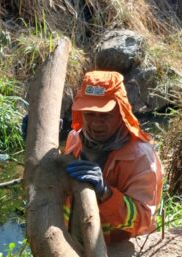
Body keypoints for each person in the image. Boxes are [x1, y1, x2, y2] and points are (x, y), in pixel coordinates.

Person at [64, 70, 163, 243]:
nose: (95, 123)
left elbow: (143, 220)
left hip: (117, 251)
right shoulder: (74, 139)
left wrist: (106, 193)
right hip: (75, 243)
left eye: (105, 115)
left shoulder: (141, 157)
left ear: (121, 112)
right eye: (89, 114)